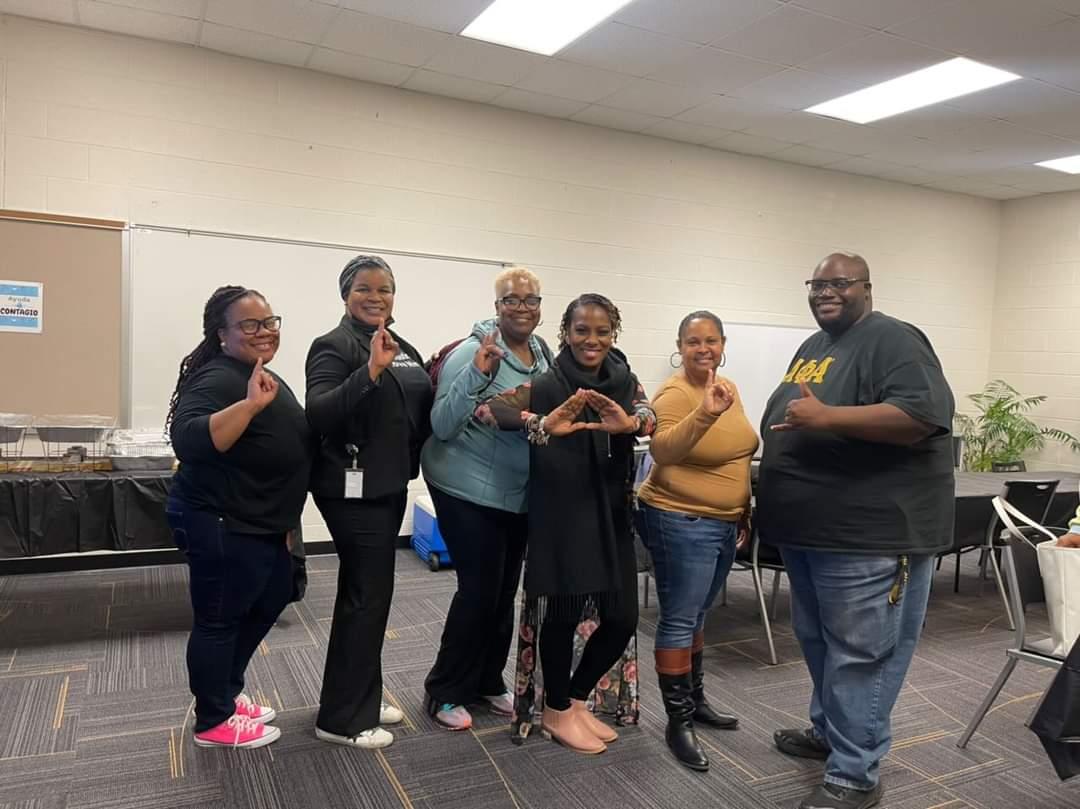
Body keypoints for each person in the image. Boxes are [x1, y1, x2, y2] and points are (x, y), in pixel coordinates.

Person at [757, 253, 955, 809]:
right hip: (810, 531)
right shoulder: (813, 348)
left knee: (862, 655)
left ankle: (855, 774)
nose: (825, 292)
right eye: (816, 284)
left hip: (868, 536)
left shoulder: (893, 339)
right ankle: (829, 734)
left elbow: (921, 416)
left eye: (839, 283)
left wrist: (828, 419)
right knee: (821, 644)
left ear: (866, 287)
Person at [479, 293, 655, 754]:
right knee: (563, 613)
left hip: (612, 508)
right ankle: (557, 708)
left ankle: (575, 700)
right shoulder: (547, 382)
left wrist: (632, 423)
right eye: (581, 330)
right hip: (562, 512)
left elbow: (650, 416)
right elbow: (490, 410)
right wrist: (541, 422)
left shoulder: (624, 379)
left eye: (601, 331)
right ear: (566, 333)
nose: (591, 340)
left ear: (613, 333)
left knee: (621, 618)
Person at [166, 285, 311, 749]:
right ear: (222, 333)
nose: (264, 331)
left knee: (272, 595)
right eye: (250, 324)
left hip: (261, 521)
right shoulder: (218, 378)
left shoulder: (253, 370)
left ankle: (225, 690)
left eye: (270, 322)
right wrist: (248, 406)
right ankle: (213, 720)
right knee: (219, 619)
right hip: (221, 520)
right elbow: (187, 440)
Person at [306, 255, 433, 750]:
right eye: (364, 288)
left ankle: (362, 691)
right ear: (345, 294)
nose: (375, 296)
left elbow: (417, 407)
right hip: (350, 490)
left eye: (385, 289)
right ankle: (341, 718)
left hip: (386, 486)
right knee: (363, 598)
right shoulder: (333, 346)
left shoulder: (404, 347)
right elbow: (319, 413)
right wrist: (370, 372)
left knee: (373, 597)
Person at [420, 266, 553, 730]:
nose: (522, 308)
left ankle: (486, 680)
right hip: (464, 485)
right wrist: (478, 375)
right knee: (477, 591)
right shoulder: (473, 352)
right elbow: (442, 424)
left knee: (502, 592)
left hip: (515, 493)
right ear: (497, 307)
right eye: (512, 300)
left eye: (530, 300)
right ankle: (444, 690)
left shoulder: (541, 354)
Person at [634, 310, 757, 771]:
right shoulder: (675, 392)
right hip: (680, 520)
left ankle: (697, 701)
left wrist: (740, 507)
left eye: (711, 341)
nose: (703, 349)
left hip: (724, 523)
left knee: (697, 616)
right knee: (680, 619)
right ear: (680, 346)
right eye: (692, 342)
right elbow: (663, 450)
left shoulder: (730, 387)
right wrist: (705, 413)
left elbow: (739, 450)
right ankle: (677, 721)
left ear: (723, 344)